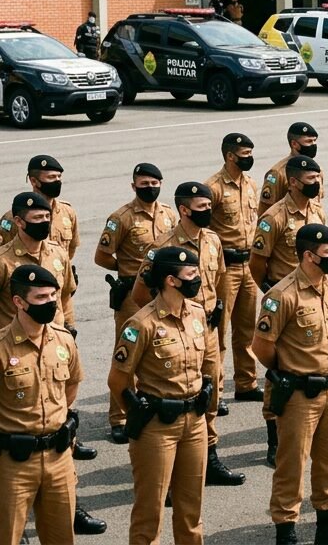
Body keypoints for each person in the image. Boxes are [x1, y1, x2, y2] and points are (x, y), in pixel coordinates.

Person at [127, 182, 243, 487]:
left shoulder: (213, 240)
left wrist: (216, 306)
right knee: (176, 392)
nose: (209, 212)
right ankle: (169, 468)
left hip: (204, 330)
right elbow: (140, 293)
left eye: (210, 206)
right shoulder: (163, 247)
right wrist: (165, 318)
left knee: (210, 389)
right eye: (203, 208)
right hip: (173, 331)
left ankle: (209, 455)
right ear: (184, 209)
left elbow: (218, 278)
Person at [252, 223, 328, 545]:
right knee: (292, 466)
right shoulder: (281, 295)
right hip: (301, 394)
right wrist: (289, 372)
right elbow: (262, 347)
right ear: (309, 256)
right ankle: (286, 534)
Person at [110, 244, 215, 545]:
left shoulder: (196, 314)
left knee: (191, 512)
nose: (198, 278)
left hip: (194, 423)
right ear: (171, 280)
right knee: (149, 514)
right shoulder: (141, 324)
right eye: (191, 274)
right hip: (157, 426)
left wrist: (206, 390)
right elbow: (118, 379)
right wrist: (137, 413)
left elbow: (206, 361)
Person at [251, 155, 328, 465]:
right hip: (286, 299)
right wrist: (274, 292)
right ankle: (274, 437)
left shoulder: (317, 211)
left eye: (318, 179)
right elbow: (257, 263)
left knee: (314, 359)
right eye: (310, 180)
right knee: (279, 369)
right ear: (293, 182)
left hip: (314, 295)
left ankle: (317, 428)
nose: (317, 185)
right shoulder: (274, 218)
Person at [0, 265, 83, 544]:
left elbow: (71, 385)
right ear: (19, 302)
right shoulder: (2, 348)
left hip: (59, 458)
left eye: (52, 297)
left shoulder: (63, 340)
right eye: (40, 298)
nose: (49, 303)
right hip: (14, 462)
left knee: (62, 538)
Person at [95, 163, 175, 445]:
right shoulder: (121, 218)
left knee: (158, 351)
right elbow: (102, 256)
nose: (149, 187)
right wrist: (129, 271)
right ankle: (119, 418)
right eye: (143, 183)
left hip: (163, 294)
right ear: (133, 186)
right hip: (131, 296)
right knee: (126, 357)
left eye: (154, 182)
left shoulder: (168, 214)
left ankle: (150, 407)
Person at [204, 135, 261, 423]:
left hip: (249, 263)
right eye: (244, 153)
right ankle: (218, 390)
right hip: (225, 266)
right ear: (230, 156)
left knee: (247, 327)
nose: (249, 157)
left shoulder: (251, 185)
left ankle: (246, 382)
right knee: (220, 331)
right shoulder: (212, 187)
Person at [0, 156, 79, 324]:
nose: (57, 182)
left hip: (53, 322)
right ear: (34, 181)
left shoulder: (67, 213)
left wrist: (70, 327)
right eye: (51, 178)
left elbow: (70, 250)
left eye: (59, 177)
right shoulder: (11, 220)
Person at [261, 123, 323, 215]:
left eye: (314, 141)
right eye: (309, 141)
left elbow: (318, 202)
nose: (313, 145)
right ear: (294, 144)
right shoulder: (277, 173)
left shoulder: (317, 170)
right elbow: (265, 210)